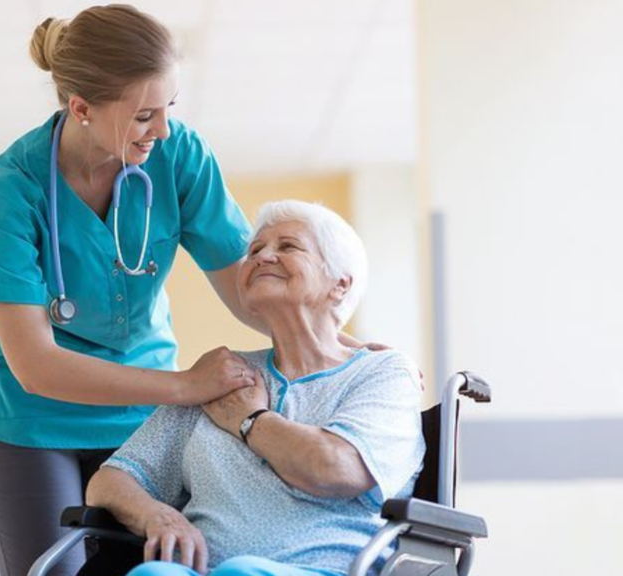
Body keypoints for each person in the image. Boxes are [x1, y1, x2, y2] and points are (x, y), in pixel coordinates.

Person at [0, 5, 369, 575]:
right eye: (145, 115)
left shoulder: (177, 157)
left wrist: (342, 349)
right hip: (30, 422)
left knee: (154, 567)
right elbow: (36, 366)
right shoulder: (14, 188)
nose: (164, 129)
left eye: (170, 107)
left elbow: (249, 288)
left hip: (140, 421)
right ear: (80, 108)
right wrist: (186, 386)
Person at [86, 200, 425, 576]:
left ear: (340, 284)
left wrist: (251, 419)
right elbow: (112, 479)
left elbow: (335, 467)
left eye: (288, 247)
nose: (263, 257)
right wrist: (158, 516)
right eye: (255, 250)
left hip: (328, 568)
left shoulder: (382, 373)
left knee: (241, 572)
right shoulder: (220, 376)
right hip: (205, 570)